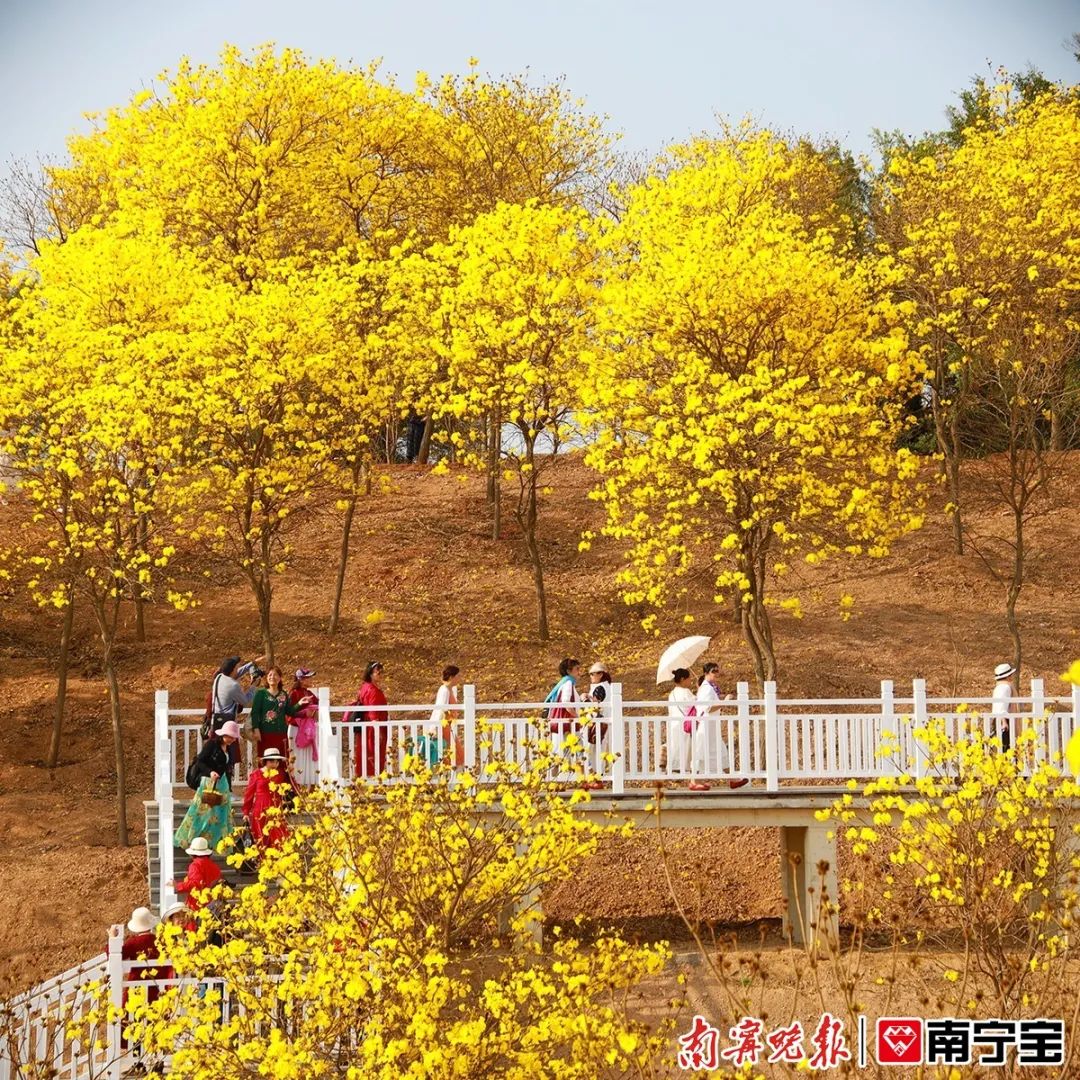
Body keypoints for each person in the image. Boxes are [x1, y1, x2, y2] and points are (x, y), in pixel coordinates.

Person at [174, 720, 239, 853]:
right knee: (202, 811)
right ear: (223, 734)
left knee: (222, 813)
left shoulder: (230, 747)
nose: (232, 740)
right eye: (230, 737)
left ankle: (219, 842)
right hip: (209, 782)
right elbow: (200, 761)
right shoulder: (212, 745)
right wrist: (210, 772)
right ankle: (192, 838)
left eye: (234, 737)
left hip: (223, 784)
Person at [695, 663, 748, 791]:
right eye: (714, 671)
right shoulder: (706, 688)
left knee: (720, 750)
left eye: (718, 671)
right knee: (702, 752)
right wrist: (724, 702)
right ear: (706, 672)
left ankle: (732, 779)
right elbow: (708, 707)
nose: (716, 673)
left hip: (712, 725)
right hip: (707, 725)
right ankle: (695, 781)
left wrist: (723, 700)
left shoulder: (710, 687)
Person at [242, 748, 291, 853]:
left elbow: (293, 787)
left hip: (276, 809)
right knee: (261, 838)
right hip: (260, 810)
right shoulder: (256, 774)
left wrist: (291, 773)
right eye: (271, 761)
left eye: (277, 761)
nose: (274, 764)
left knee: (280, 837)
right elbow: (249, 794)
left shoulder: (281, 774)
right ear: (265, 761)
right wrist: (246, 811)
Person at [249, 666, 302, 761]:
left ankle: (281, 776)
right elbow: (255, 712)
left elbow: (290, 711)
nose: (272, 677)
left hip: (281, 733)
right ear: (266, 678)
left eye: (276, 675)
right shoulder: (261, 693)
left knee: (282, 759)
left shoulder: (283, 694)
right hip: (265, 733)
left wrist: (300, 704)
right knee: (266, 759)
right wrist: (256, 729)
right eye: (270, 675)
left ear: (280, 678)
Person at [353, 661, 389, 779]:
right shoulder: (372, 690)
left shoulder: (365, 687)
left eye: (381, 672)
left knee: (365, 752)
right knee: (373, 753)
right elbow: (373, 713)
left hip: (368, 726)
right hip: (373, 728)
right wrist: (377, 731)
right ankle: (373, 780)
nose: (380, 674)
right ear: (370, 674)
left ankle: (364, 778)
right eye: (377, 672)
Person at [421, 665, 461, 768]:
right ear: (451, 677)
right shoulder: (444, 690)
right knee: (451, 753)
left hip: (448, 727)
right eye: (457, 676)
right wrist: (434, 728)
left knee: (454, 753)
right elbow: (439, 710)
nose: (459, 679)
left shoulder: (449, 690)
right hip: (443, 728)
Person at [170, 837, 223, 911]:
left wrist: (177, 886)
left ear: (192, 854)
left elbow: (195, 884)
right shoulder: (214, 866)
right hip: (213, 903)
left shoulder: (195, 865)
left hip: (198, 903)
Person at [581, 662, 611, 790]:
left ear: (601, 674)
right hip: (603, 723)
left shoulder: (599, 687)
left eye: (594, 673)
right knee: (598, 751)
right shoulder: (606, 687)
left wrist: (584, 699)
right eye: (590, 674)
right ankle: (597, 778)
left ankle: (596, 779)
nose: (591, 676)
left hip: (597, 724)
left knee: (593, 751)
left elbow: (595, 706)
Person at [288, 668, 319, 787]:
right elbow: (289, 713)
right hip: (296, 729)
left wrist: (314, 712)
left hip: (307, 730)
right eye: (308, 677)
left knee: (306, 757)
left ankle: (307, 784)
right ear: (301, 679)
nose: (310, 680)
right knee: (296, 757)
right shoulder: (293, 693)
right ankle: (295, 784)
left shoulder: (309, 693)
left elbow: (318, 704)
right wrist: (303, 714)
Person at [666, 668, 698, 784]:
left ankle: (674, 769)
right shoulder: (686, 692)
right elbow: (697, 703)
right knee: (685, 747)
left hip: (674, 723)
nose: (690, 681)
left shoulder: (672, 693)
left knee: (675, 747)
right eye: (689, 678)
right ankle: (683, 769)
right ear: (683, 679)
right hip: (685, 724)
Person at [992, 661, 1016, 751]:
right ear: (1007, 676)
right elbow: (1002, 705)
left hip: (999, 719)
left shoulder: (999, 687)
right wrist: (1004, 721)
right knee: (1006, 747)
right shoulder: (1005, 687)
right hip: (1004, 720)